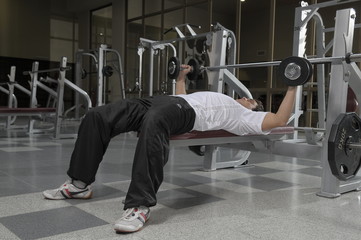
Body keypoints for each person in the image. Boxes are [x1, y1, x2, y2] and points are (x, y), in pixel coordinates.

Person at [42, 64, 297, 233]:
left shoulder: (244, 117)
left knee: (155, 121)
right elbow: (181, 95)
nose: (245, 98)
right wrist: (181, 77)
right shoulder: (223, 97)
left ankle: (139, 206)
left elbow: (279, 120)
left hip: (184, 113)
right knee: (98, 115)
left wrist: (293, 85)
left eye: (251, 101)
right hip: (168, 102)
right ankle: (78, 184)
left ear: (254, 108)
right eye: (245, 97)